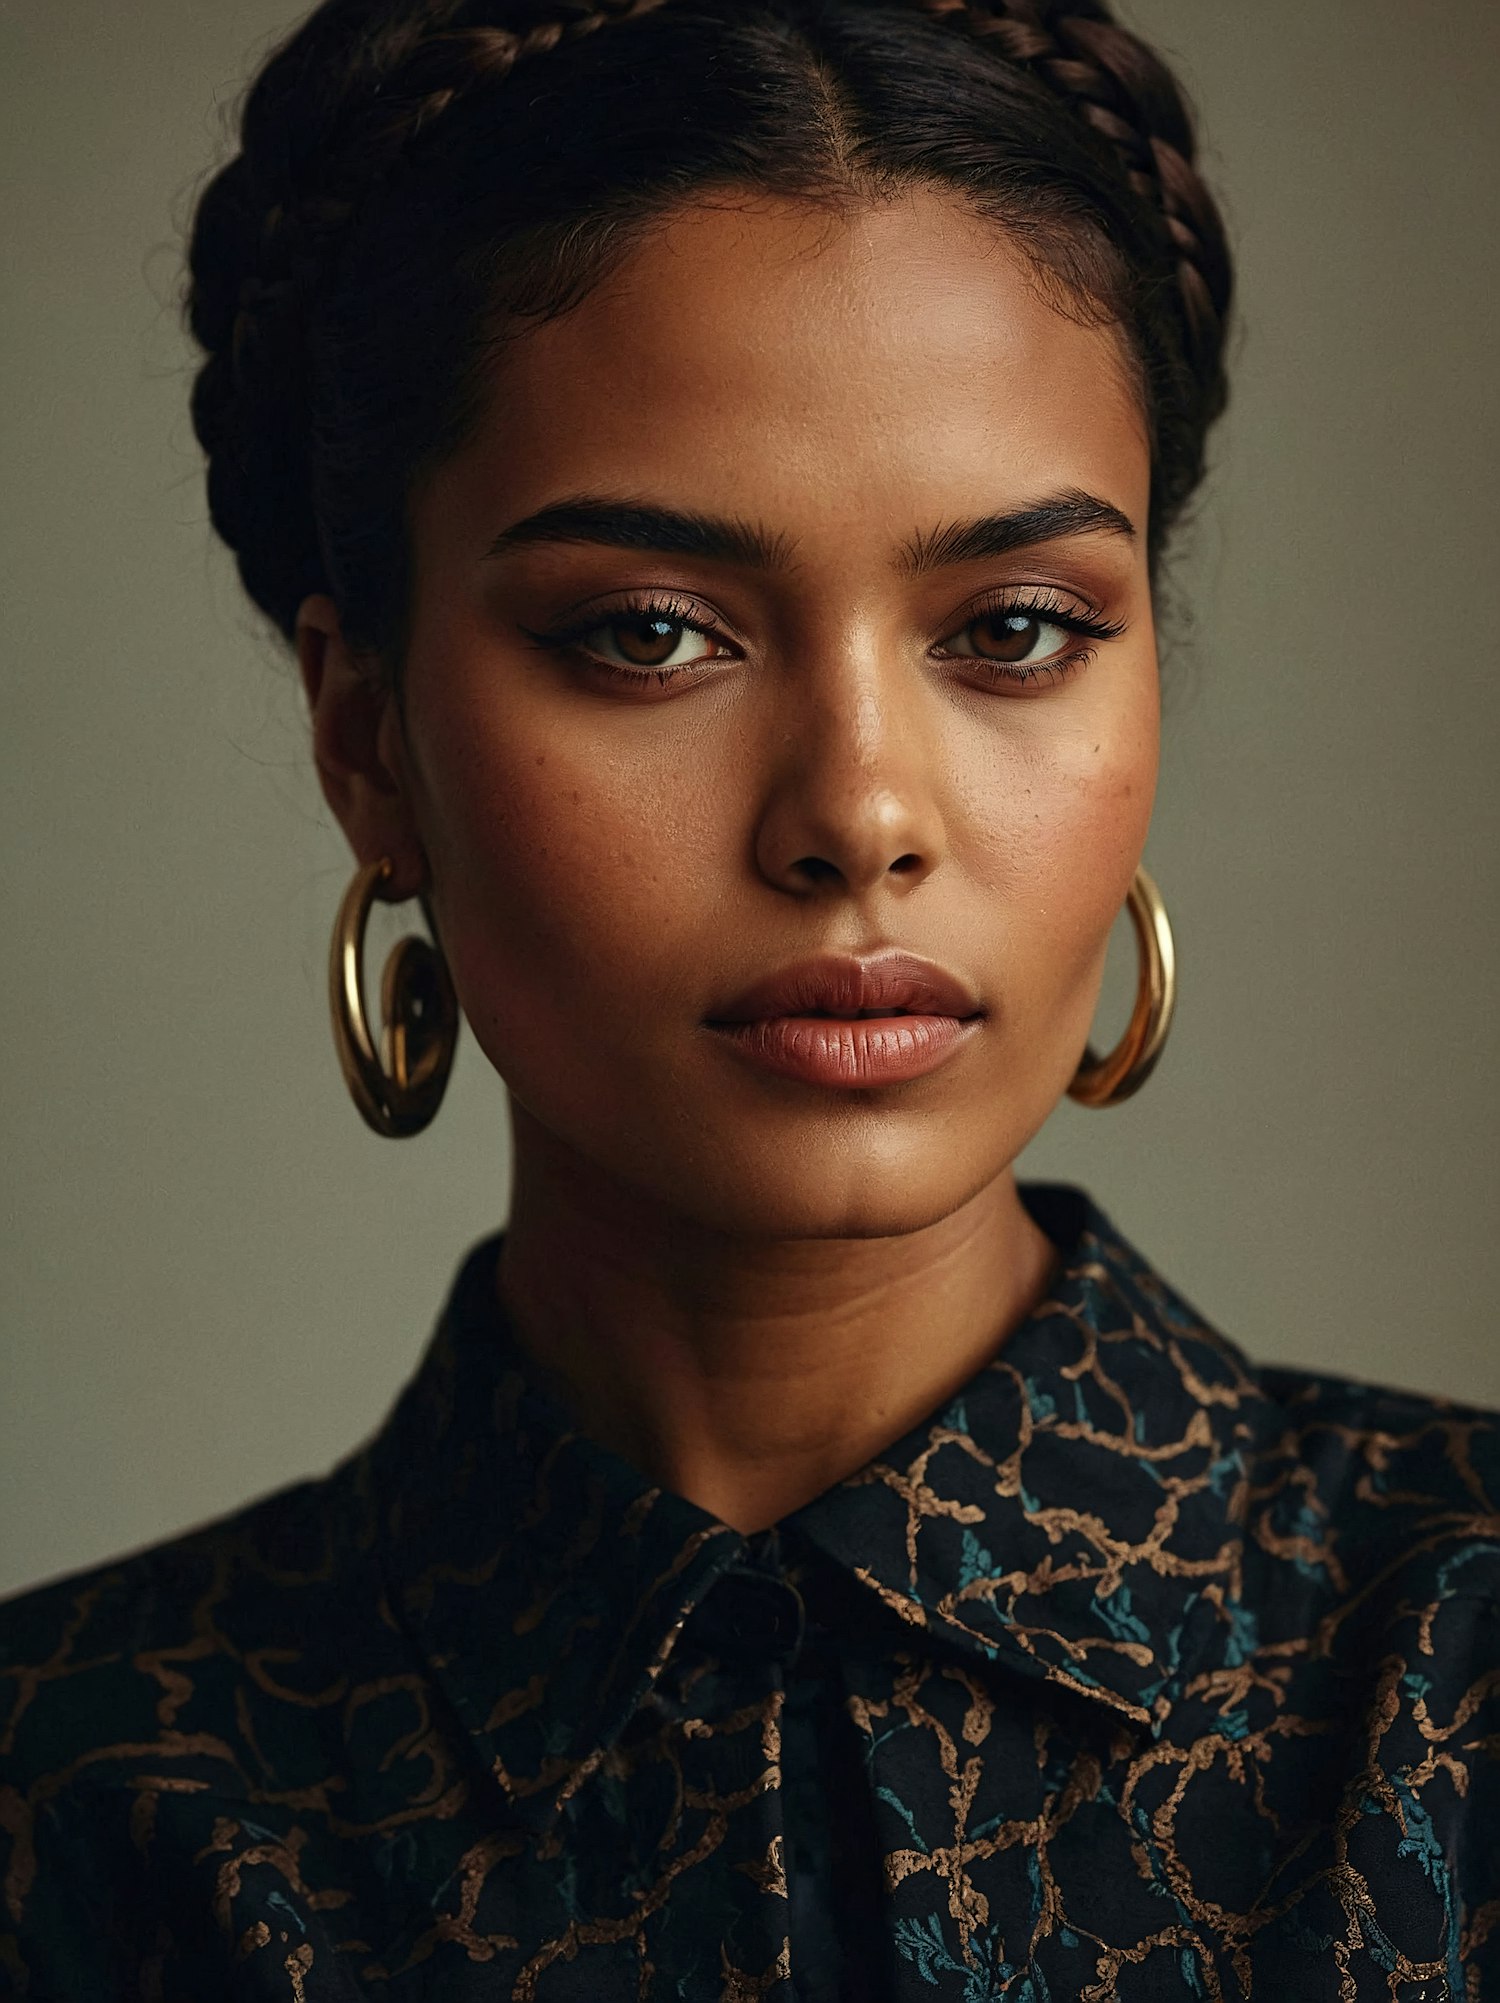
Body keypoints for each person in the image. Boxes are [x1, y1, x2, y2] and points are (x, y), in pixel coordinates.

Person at [2, 0, 1496, 1995]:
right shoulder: (79, 1800)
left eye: (1018, 629)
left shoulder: (1454, 1682)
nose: (858, 814)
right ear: (367, 737)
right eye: (648, 633)